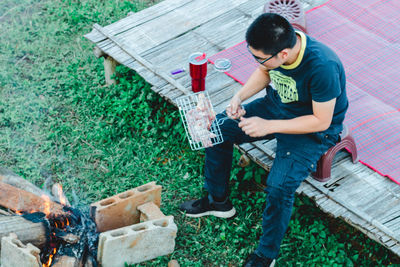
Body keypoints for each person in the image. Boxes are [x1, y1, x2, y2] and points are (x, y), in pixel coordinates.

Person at [180, 13, 348, 267]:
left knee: (280, 185)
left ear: (283, 55)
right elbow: (264, 72)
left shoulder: (322, 66)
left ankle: (266, 254)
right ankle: (218, 201)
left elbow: (321, 121)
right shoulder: (276, 54)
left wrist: (268, 126)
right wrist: (238, 97)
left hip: (312, 129)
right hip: (277, 105)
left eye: (260, 57)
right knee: (216, 130)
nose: (257, 62)